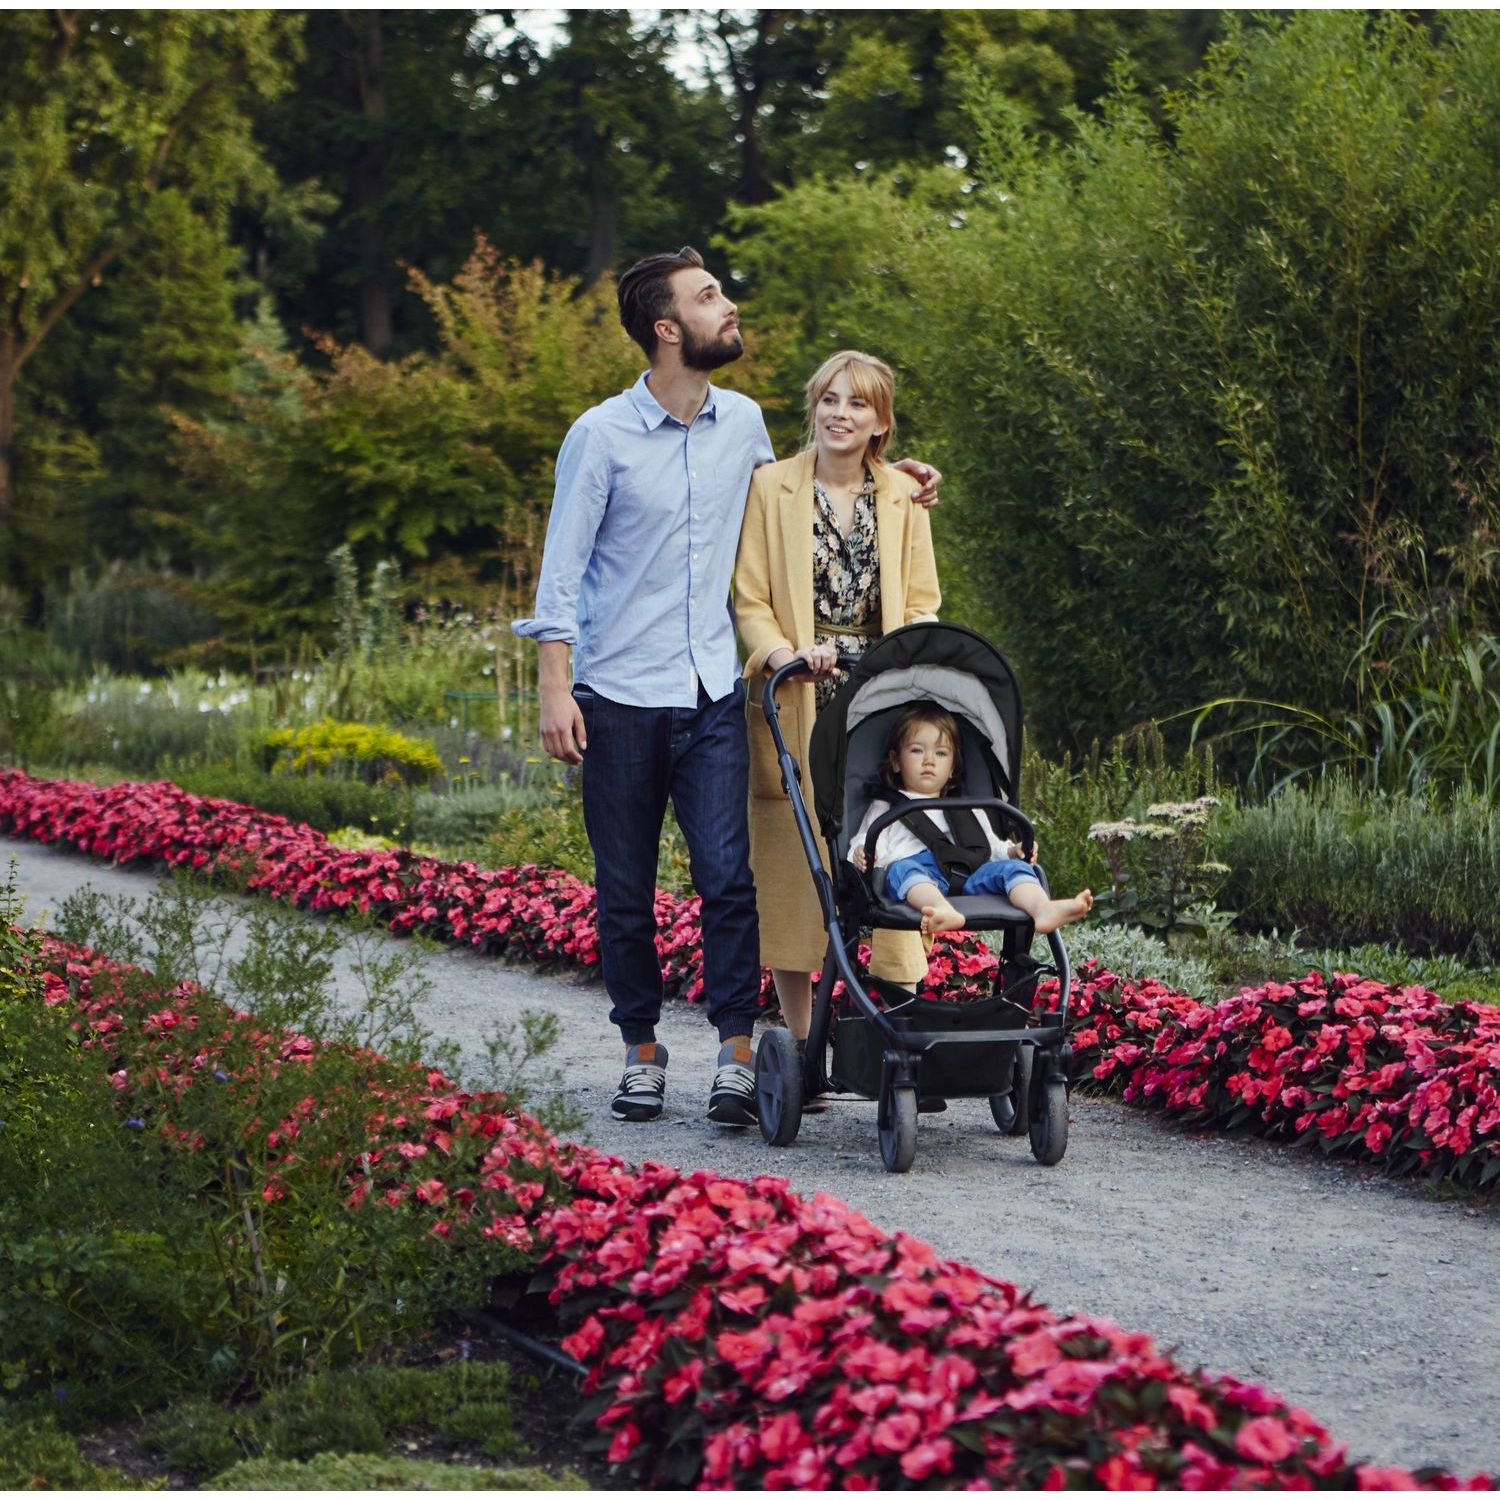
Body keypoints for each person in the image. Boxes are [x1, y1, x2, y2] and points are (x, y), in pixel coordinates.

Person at [512, 249, 939, 1127]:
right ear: (668, 329)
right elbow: (561, 575)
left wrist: (903, 477)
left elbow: (814, 486)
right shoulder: (600, 435)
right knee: (624, 886)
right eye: (710, 298)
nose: (729, 305)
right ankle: (640, 1049)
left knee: (729, 878)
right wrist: (555, 689)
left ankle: (739, 1055)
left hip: (713, 691)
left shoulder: (742, 422)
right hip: (619, 695)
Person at [733, 351, 939, 1059]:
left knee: (888, 844)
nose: (838, 414)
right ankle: (801, 1043)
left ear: (880, 421)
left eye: (856, 404)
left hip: (879, 697)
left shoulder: (904, 496)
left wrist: (900, 666)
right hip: (798, 691)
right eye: (828, 400)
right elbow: (750, 599)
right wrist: (785, 654)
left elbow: (921, 603)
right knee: (798, 863)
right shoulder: (772, 488)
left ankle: (897, 1026)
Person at [850, 705, 1094, 939]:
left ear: (953, 767)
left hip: (971, 871)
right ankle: (941, 908)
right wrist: (863, 853)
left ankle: (1042, 908)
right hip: (918, 873)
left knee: (1016, 869)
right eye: (917, 750)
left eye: (941, 753)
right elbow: (867, 839)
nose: (929, 761)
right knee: (902, 870)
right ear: (895, 761)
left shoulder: (969, 808)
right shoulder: (887, 807)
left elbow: (991, 847)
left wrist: (1013, 851)